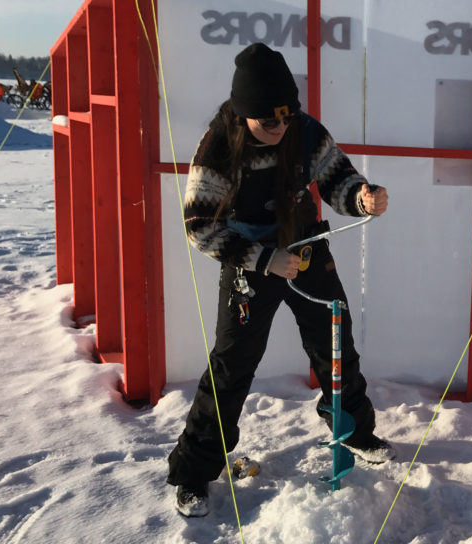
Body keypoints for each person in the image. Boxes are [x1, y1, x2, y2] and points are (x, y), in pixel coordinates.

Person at [167, 43, 393, 518]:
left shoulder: (304, 130)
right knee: (232, 365)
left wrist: (363, 197)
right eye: (271, 122)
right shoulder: (218, 148)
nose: (282, 129)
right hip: (250, 265)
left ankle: (354, 433)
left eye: (288, 119)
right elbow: (199, 226)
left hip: (307, 248)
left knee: (336, 345)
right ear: (245, 113)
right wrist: (262, 259)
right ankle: (192, 472)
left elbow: (338, 179)